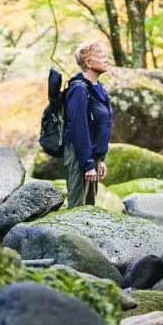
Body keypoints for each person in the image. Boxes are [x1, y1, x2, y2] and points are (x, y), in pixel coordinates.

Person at [62, 41, 113, 209]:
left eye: (106, 56)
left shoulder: (99, 88)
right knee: (78, 208)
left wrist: (101, 159)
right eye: (101, 56)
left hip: (93, 157)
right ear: (88, 63)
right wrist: (88, 164)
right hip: (80, 156)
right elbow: (79, 128)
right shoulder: (79, 89)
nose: (106, 59)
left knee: (89, 207)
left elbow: (100, 125)